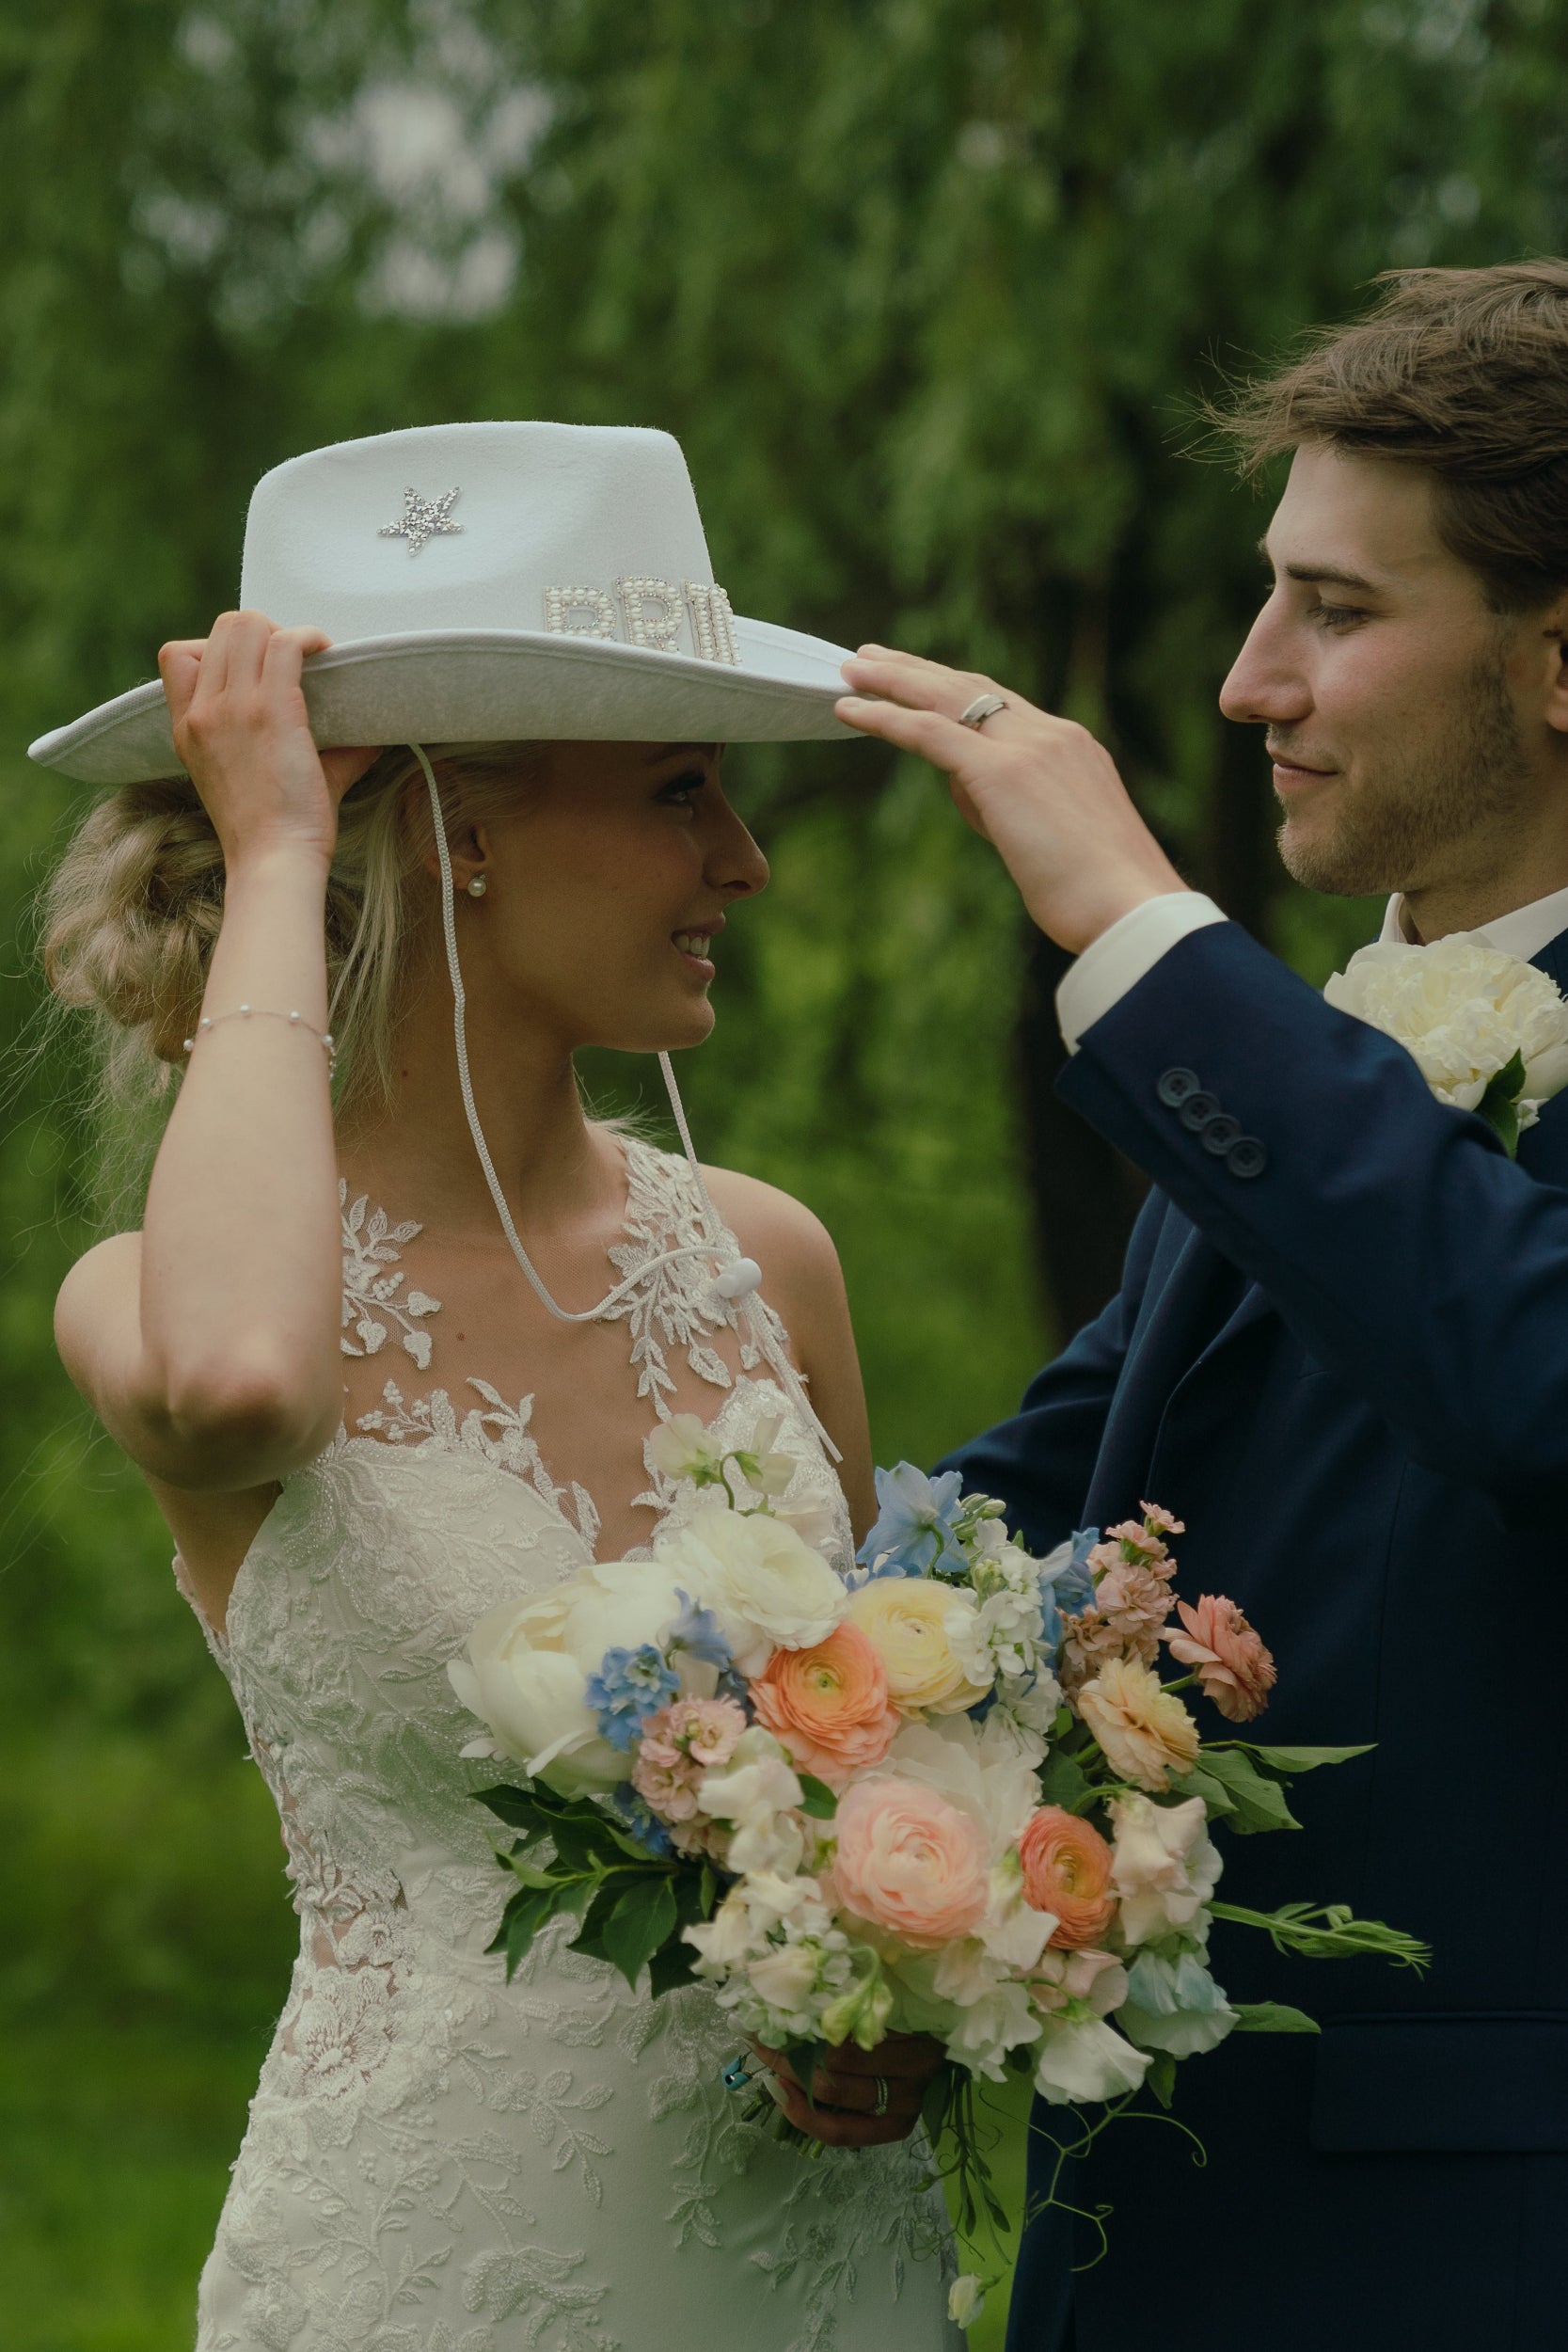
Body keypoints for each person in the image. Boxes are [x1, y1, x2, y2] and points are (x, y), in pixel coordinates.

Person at [34, 421, 959, 2352]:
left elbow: (872, 1759)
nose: (746, 861)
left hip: (821, 2272)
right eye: (682, 790)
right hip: (432, 2269)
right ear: (458, 823)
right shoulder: (155, 1298)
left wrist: (909, 1997)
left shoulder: (770, 1257)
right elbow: (237, 1381)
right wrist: (284, 841)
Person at [832, 261, 1568, 2352]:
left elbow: (1532, 1370)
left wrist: (1141, 926)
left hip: (1477, 2268)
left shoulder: (1247, 1055)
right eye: (1268, 598)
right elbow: (1048, 1519)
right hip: (1148, 2228)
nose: (1252, 682)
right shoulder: (1313, 1063)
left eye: (1337, 609)